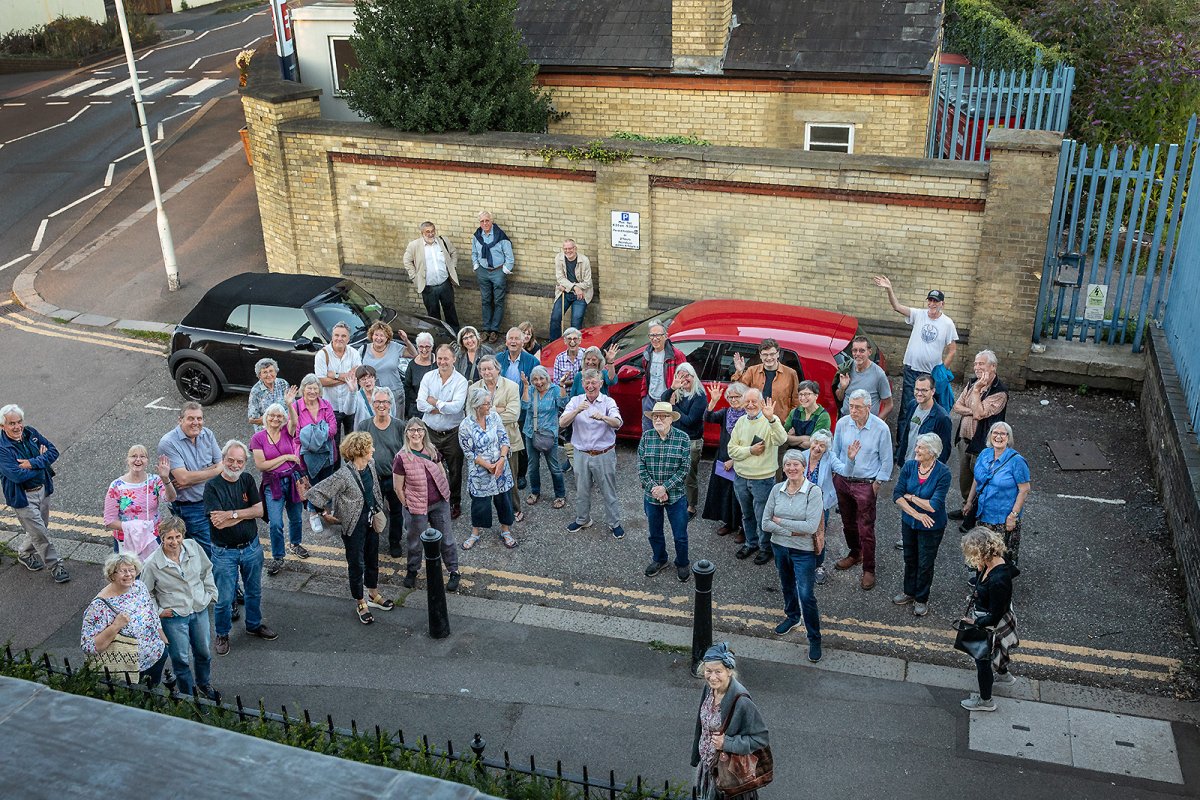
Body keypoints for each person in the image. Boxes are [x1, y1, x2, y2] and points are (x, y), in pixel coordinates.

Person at [307, 431, 396, 624]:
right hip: (353, 525)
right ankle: (360, 601)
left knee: (372, 558)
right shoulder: (343, 475)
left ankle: (373, 594)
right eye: (369, 447)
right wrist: (324, 514)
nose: (373, 449)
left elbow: (374, 490)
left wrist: (380, 505)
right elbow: (315, 493)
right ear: (360, 451)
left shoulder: (370, 465)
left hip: (371, 520)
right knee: (356, 564)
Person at [204, 440, 277, 656]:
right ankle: (222, 633)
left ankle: (254, 624)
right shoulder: (212, 486)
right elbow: (218, 522)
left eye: (240, 461)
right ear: (223, 460)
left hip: (251, 547)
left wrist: (232, 514)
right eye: (231, 460)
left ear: (245, 462)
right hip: (224, 551)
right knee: (225, 598)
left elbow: (258, 510)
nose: (235, 465)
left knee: (254, 591)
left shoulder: (246, 479)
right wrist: (243, 513)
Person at [140, 515, 220, 701]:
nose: (174, 542)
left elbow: (206, 570)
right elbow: (146, 593)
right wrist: (159, 612)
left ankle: (203, 683)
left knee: (204, 653)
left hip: (198, 609)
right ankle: (189, 695)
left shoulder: (193, 546)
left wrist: (210, 593)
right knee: (181, 660)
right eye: (169, 538)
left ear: (183, 536)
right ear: (161, 537)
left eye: (177, 537)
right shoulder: (152, 563)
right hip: (174, 616)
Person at [873, 276, 958, 440]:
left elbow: (952, 350)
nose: (932, 304)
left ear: (942, 304)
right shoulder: (919, 315)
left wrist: (942, 369)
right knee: (907, 408)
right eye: (930, 301)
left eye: (936, 301)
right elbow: (896, 306)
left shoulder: (947, 323)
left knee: (926, 408)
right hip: (912, 370)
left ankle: (921, 443)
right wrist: (889, 289)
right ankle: (901, 447)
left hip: (930, 375)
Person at [828, 389, 893, 591]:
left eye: (857, 407)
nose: (852, 410)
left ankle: (869, 568)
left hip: (866, 483)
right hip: (843, 480)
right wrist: (836, 474)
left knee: (866, 528)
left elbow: (887, 460)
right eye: (851, 406)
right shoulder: (842, 423)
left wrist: (878, 482)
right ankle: (855, 554)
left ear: (869, 407)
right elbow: (836, 452)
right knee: (847, 523)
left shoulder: (881, 429)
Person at [763, 449, 825, 661]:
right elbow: (765, 523)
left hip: (803, 550)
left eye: (796, 464)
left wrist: (780, 522)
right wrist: (791, 529)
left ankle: (814, 638)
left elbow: (810, 527)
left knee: (806, 595)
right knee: (786, 584)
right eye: (788, 464)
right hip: (779, 547)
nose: (791, 468)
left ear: (804, 467)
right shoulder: (776, 490)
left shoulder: (813, 492)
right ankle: (792, 617)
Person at [690, 642, 769, 800]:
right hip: (708, 766)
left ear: (729, 671)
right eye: (708, 671)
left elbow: (761, 738)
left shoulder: (741, 701)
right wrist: (696, 757)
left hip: (729, 772)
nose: (712, 677)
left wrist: (727, 743)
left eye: (718, 671)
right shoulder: (709, 689)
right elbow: (702, 727)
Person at [392, 418, 460, 591]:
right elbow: (398, 488)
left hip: (439, 503)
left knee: (446, 539)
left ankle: (454, 571)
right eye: (412, 430)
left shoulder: (432, 450)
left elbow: (441, 471)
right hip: (416, 507)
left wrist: (445, 491)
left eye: (419, 430)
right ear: (406, 433)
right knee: (415, 542)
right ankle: (412, 571)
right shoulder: (401, 458)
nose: (416, 433)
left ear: (424, 432)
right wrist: (407, 505)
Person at [80, 552, 168, 686]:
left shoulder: (139, 587)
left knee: (154, 695)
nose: (128, 574)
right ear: (111, 575)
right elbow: (89, 646)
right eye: (122, 571)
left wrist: (163, 639)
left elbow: (152, 613)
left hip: (156, 655)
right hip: (129, 669)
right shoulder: (99, 606)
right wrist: (115, 626)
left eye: (131, 570)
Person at [959, 528, 1020, 712]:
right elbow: (1014, 571)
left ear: (980, 552)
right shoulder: (995, 560)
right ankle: (1004, 675)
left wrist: (975, 623)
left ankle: (986, 701)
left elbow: (995, 616)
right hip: (991, 616)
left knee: (982, 660)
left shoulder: (998, 580)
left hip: (989, 622)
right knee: (999, 650)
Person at [892, 433, 952, 617]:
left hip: (932, 526)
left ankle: (921, 598)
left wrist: (910, 497)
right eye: (917, 446)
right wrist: (917, 513)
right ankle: (909, 592)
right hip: (910, 521)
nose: (916, 450)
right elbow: (897, 495)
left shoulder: (943, 473)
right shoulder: (910, 466)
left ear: (932, 452)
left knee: (925, 562)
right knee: (910, 558)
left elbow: (933, 505)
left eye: (921, 448)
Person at [560, 369, 624, 538]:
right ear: (582, 384)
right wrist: (576, 411)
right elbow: (562, 422)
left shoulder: (608, 401)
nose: (590, 386)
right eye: (587, 383)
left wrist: (603, 417)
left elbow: (618, 423)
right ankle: (582, 520)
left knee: (608, 491)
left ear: (601, 383)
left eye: (594, 382)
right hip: (581, 453)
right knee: (582, 490)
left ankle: (614, 523)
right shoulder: (576, 401)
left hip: (604, 454)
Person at [728, 389, 787, 565]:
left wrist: (771, 418)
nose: (751, 405)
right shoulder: (740, 422)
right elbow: (732, 450)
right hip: (741, 477)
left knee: (763, 516)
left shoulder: (770, 421)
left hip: (762, 478)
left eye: (755, 401)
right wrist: (750, 451)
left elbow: (781, 439)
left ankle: (765, 548)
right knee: (747, 515)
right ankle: (751, 543)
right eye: (747, 402)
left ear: (762, 403)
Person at [251, 403, 309, 575]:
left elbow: (295, 422)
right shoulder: (258, 438)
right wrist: (285, 456)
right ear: (266, 417)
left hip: (292, 480)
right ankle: (278, 556)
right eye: (272, 415)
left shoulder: (287, 432)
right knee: (275, 523)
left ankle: (295, 544)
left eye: (279, 416)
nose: (275, 418)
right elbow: (261, 465)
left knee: (296, 517)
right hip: (273, 484)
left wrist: (290, 404)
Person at [159, 402, 222, 557]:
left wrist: (192, 477)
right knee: (212, 553)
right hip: (191, 507)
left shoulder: (207, 434)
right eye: (190, 418)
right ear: (180, 420)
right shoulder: (168, 443)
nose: (196, 423)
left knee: (218, 546)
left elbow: (223, 466)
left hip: (213, 501)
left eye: (199, 418)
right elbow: (183, 478)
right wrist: (214, 470)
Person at [962, 422, 1031, 565]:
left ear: (1008, 437)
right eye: (995, 433)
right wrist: (969, 501)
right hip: (983, 514)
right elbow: (977, 479)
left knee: (1001, 556)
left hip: (1003, 519)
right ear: (990, 435)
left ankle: (998, 583)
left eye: (1003, 434)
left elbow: (1024, 489)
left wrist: (1013, 516)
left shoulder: (1017, 461)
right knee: (983, 551)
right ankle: (983, 578)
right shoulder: (984, 453)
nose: (998, 436)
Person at [639, 401, 693, 582]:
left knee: (680, 535)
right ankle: (660, 559)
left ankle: (682, 562)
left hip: (676, 496)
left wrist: (665, 488)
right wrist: (655, 489)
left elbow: (685, 468)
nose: (658, 419)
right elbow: (641, 467)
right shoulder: (646, 437)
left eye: (663, 416)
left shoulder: (683, 438)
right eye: (655, 416)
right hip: (652, 495)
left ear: (671, 419)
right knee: (654, 533)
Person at [458, 387, 518, 550]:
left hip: (500, 469)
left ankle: (506, 531)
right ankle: (475, 533)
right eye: (486, 403)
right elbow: (468, 453)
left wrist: (501, 460)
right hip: (480, 473)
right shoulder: (465, 425)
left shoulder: (494, 417)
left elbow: (504, 439)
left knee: (504, 501)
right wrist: (489, 466)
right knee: (479, 504)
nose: (490, 406)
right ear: (477, 406)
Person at [950, 350, 1008, 514]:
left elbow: (980, 414)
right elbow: (957, 406)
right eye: (975, 363)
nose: (977, 367)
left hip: (981, 444)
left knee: (981, 481)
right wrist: (972, 409)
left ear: (993, 366)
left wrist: (976, 392)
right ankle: (966, 508)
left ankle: (979, 513)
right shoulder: (972, 382)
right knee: (965, 478)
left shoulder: (1000, 392)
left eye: (981, 363)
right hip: (964, 440)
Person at [418, 344, 469, 519]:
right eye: (439, 358)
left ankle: (455, 502)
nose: (442, 362)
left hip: (453, 433)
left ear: (454, 359)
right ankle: (433, 500)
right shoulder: (428, 377)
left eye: (446, 358)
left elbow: (457, 408)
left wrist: (434, 402)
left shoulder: (461, 381)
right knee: (429, 468)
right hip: (430, 432)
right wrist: (442, 406)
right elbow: (420, 404)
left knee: (455, 470)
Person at [355, 387, 406, 558]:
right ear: (372, 403)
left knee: (397, 512)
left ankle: (395, 542)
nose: (381, 405)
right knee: (370, 511)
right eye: (377, 402)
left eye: (385, 402)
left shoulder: (399, 426)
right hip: (371, 477)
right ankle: (371, 543)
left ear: (390, 404)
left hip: (394, 478)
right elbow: (357, 452)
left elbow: (406, 453)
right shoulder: (364, 425)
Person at [472, 355, 523, 520]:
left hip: (508, 441)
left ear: (498, 369)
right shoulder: (473, 389)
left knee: (510, 478)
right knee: (484, 478)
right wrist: (499, 409)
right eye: (483, 369)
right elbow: (471, 416)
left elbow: (514, 414)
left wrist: (488, 411)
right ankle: (486, 515)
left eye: (490, 368)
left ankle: (514, 509)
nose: (487, 372)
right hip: (483, 445)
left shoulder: (512, 386)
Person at [103, 445, 176, 559]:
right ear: (127, 460)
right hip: (126, 540)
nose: (138, 459)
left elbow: (171, 498)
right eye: (134, 456)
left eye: (142, 456)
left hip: (152, 537)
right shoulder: (116, 486)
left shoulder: (155, 480)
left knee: (153, 574)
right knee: (129, 575)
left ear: (147, 461)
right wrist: (135, 527)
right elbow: (109, 521)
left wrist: (166, 479)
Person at [657, 362, 706, 517]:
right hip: (674, 438)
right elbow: (662, 402)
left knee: (689, 475)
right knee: (673, 471)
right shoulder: (677, 392)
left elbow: (690, 420)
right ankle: (674, 498)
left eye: (688, 376)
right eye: (681, 375)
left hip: (691, 441)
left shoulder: (700, 397)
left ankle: (691, 506)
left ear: (694, 377)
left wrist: (673, 408)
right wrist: (672, 388)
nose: (684, 379)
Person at [293, 374, 338, 533]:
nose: (312, 391)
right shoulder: (296, 407)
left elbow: (333, 429)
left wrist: (311, 434)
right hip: (306, 456)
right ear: (303, 389)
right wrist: (320, 431)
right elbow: (296, 435)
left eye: (315, 388)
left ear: (319, 390)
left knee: (326, 483)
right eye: (309, 388)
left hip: (327, 453)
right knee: (312, 485)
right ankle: (313, 514)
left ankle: (325, 510)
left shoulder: (326, 404)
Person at [701, 382, 746, 541]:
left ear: (744, 397)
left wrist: (733, 461)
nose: (733, 400)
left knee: (740, 495)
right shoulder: (726, 412)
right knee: (725, 492)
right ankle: (729, 523)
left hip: (741, 461)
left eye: (737, 397)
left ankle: (744, 528)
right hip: (723, 458)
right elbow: (708, 417)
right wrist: (713, 401)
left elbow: (753, 442)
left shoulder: (750, 415)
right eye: (731, 397)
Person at [521, 366, 565, 508]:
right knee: (533, 466)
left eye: (541, 378)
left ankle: (560, 494)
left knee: (554, 467)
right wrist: (526, 387)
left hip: (548, 434)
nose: (538, 382)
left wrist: (563, 387)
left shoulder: (554, 390)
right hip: (531, 432)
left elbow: (563, 404)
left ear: (547, 378)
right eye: (535, 379)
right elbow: (525, 405)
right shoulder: (531, 389)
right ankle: (535, 491)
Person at [403, 220, 460, 329]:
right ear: (422, 233)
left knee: (450, 311)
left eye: (433, 231)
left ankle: (455, 333)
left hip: (445, 284)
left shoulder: (443, 241)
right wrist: (415, 277)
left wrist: (452, 268)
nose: (431, 234)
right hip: (428, 287)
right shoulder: (414, 245)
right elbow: (407, 261)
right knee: (433, 315)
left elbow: (453, 253)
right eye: (427, 232)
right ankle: (439, 335)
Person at [730, 338, 801, 425]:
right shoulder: (752, 371)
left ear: (778, 354)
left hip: (780, 423)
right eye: (765, 354)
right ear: (760, 355)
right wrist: (739, 372)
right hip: (755, 422)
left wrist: (790, 423)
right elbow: (737, 392)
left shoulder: (791, 373)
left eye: (772, 354)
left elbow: (796, 401)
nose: (769, 358)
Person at [798, 430, 837, 585]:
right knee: (799, 534)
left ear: (826, 448)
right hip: (800, 503)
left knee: (818, 536)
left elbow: (844, 470)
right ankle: (801, 564)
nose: (817, 448)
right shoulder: (801, 456)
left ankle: (818, 566)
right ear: (811, 442)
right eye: (815, 443)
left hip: (820, 505)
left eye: (822, 445)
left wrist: (851, 460)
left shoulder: (830, 458)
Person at [471, 210, 514, 343]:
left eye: (487, 220)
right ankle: (486, 329)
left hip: (498, 271)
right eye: (482, 221)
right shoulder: (477, 236)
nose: (485, 223)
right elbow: (474, 252)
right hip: (483, 271)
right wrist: (476, 266)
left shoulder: (501, 237)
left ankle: (494, 330)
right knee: (485, 300)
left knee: (498, 301)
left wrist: (504, 271)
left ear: (492, 221)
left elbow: (509, 257)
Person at [314, 321, 362, 438]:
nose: (339, 338)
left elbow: (358, 375)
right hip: (331, 406)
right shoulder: (322, 354)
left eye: (343, 336)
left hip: (351, 404)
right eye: (337, 335)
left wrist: (334, 375)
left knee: (352, 441)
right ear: (332, 336)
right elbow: (321, 381)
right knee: (333, 443)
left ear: (348, 339)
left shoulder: (354, 353)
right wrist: (347, 378)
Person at [638, 319, 687, 432]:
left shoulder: (676, 355)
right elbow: (646, 375)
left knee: (666, 433)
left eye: (658, 335)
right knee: (648, 432)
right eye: (652, 335)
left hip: (667, 401)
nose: (655, 338)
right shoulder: (647, 353)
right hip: (649, 399)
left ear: (665, 336)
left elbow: (685, 378)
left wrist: (675, 395)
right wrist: (644, 395)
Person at [896, 373, 952, 467]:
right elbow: (907, 434)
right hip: (906, 464)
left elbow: (944, 451)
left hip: (923, 469)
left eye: (924, 390)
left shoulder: (942, 418)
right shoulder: (912, 405)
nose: (919, 393)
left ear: (933, 391)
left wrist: (931, 473)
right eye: (917, 389)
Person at [833, 336, 893, 419]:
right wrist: (843, 388)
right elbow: (839, 398)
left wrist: (876, 424)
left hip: (865, 423)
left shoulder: (879, 374)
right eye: (855, 350)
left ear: (869, 352)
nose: (857, 354)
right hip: (845, 420)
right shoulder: (847, 367)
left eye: (862, 351)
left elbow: (889, 405)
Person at [549, 239, 593, 340]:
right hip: (564, 292)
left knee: (576, 322)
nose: (568, 251)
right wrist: (574, 287)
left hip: (581, 294)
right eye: (565, 249)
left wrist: (573, 287)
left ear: (575, 248)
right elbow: (560, 278)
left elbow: (588, 282)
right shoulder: (559, 258)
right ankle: (553, 343)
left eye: (570, 248)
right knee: (555, 317)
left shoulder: (584, 260)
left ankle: (575, 345)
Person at [360, 320, 413, 403]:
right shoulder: (363, 349)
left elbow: (414, 354)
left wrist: (406, 340)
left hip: (394, 392)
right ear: (371, 335)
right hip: (371, 393)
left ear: (387, 337)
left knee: (395, 416)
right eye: (376, 335)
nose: (378, 338)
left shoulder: (394, 346)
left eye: (382, 335)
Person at [784, 381, 832, 452]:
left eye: (807, 394)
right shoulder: (794, 412)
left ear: (816, 395)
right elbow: (783, 437)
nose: (803, 398)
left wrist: (793, 438)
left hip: (813, 454)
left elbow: (814, 443)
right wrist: (805, 438)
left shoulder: (823, 416)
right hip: (792, 455)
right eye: (800, 394)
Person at [247, 358, 291, 432]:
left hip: (284, 426)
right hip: (266, 430)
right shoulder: (256, 391)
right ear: (259, 376)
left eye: (271, 371)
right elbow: (252, 419)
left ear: (276, 372)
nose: (269, 375)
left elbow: (292, 406)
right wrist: (271, 420)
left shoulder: (283, 384)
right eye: (264, 372)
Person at [402, 332, 437, 420]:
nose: (424, 350)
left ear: (432, 347)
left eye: (427, 346)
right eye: (421, 346)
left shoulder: (438, 363)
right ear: (417, 347)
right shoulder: (412, 365)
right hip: (416, 408)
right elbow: (407, 387)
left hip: (435, 407)